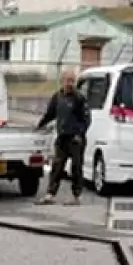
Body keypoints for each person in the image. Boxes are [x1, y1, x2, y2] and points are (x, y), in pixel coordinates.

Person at [34, 70, 91, 206]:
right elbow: (50, 114)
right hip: (62, 137)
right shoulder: (57, 97)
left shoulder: (79, 98)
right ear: (62, 81)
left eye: (72, 80)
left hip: (76, 139)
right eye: (67, 80)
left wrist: (79, 134)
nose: (70, 83)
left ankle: (76, 196)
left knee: (76, 167)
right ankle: (50, 194)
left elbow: (86, 119)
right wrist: (39, 126)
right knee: (57, 166)